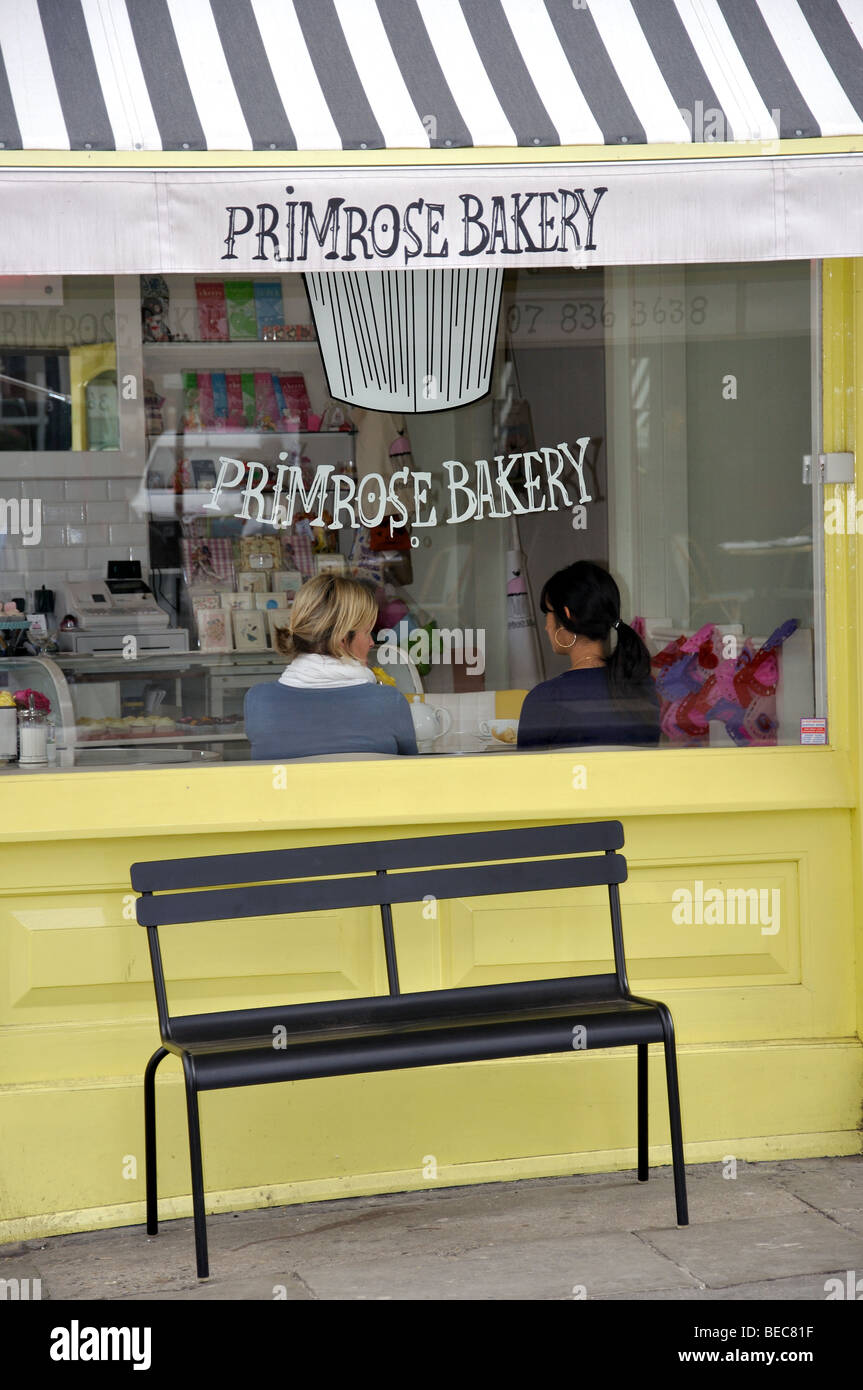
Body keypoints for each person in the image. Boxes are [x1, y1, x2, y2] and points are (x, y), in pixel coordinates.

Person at [244, 574, 417, 760]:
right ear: (342, 638)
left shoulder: (259, 701)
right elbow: (411, 773)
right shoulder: (389, 702)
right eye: (367, 632)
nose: (371, 642)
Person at [517, 561, 660, 750]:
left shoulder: (544, 699)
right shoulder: (643, 691)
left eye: (547, 614)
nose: (546, 626)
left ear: (567, 615)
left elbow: (526, 775)